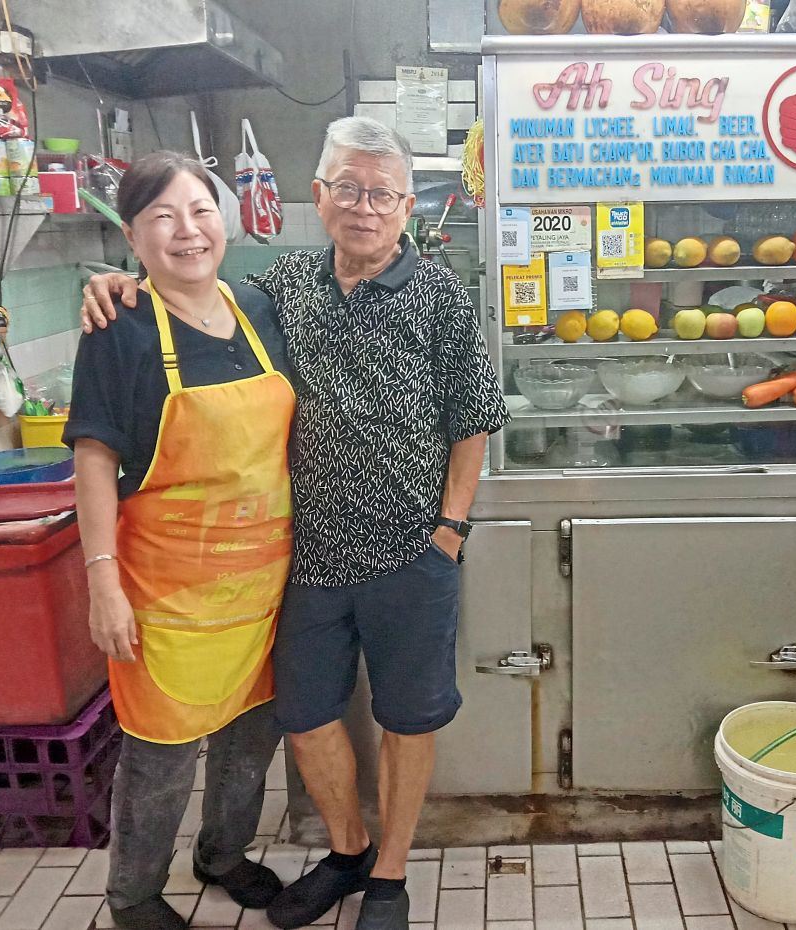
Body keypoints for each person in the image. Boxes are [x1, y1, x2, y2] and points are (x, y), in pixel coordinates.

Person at [81, 117, 510, 930]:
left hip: (410, 555)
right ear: (318, 196)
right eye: (346, 188)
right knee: (306, 718)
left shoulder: (441, 298)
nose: (364, 207)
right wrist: (117, 282)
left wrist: (448, 532)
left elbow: (474, 422)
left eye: (382, 193)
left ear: (406, 207)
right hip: (303, 563)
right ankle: (346, 851)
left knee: (406, 720)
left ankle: (388, 874)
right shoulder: (279, 289)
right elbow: (189, 293)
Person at [67, 151, 296, 930]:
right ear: (133, 236)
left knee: (249, 734)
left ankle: (223, 855)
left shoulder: (260, 307)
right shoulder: (119, 326)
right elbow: (94, 456)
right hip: (166, 591)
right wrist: (104, 584)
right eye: (162, 217)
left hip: (264, 585)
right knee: (161, 753)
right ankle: (133, 894)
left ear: (222, 219)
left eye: (200, 210)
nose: (187, 231)